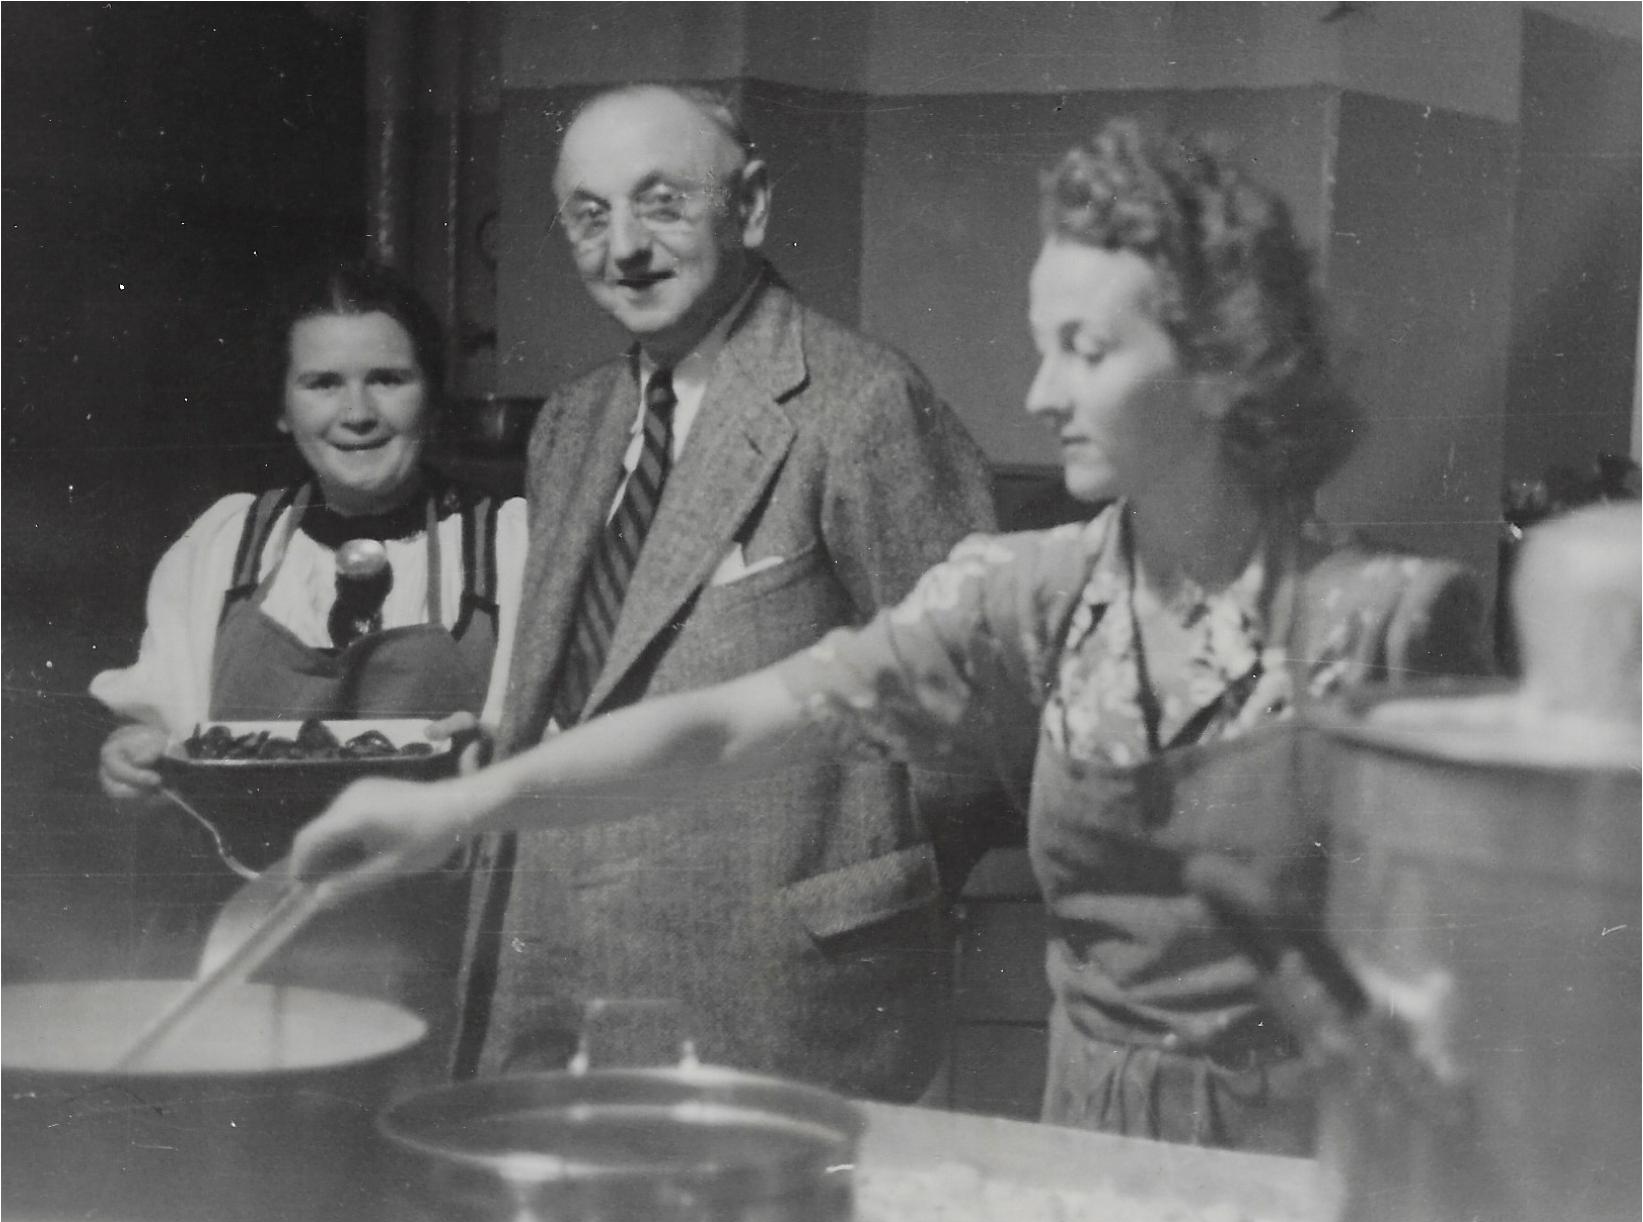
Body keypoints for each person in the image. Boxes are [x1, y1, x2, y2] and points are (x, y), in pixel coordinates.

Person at [295, 118, 1489, 1149]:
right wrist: (445, 809)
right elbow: (727, 725)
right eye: (1039, 343)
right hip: (1086, 1144)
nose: (1035, 394)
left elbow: (1471, 993)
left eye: (1082, 350)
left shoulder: (1386, 624)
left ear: (1225, 364)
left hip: (1319, 1166)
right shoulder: (1027, 594)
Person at [420, 82, 999, 1100]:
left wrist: (864, 896)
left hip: (773, 988)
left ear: (752, 206)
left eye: (662, 203)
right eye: (589, 216)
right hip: (550, 966)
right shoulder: (573, 421)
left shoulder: (858, 404)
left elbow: (975, 719)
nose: (624, 248)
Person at [91, 257, 527, 1023]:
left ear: (432, 397)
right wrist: (134, 756)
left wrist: (493, 757)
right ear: (283, 410)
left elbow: (560, 753)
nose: (356, 412)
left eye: (388, 379)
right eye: (322, 384)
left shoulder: (510, 543)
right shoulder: (225, 544)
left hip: (435, 958)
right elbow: (160, 724)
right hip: (245, 954)